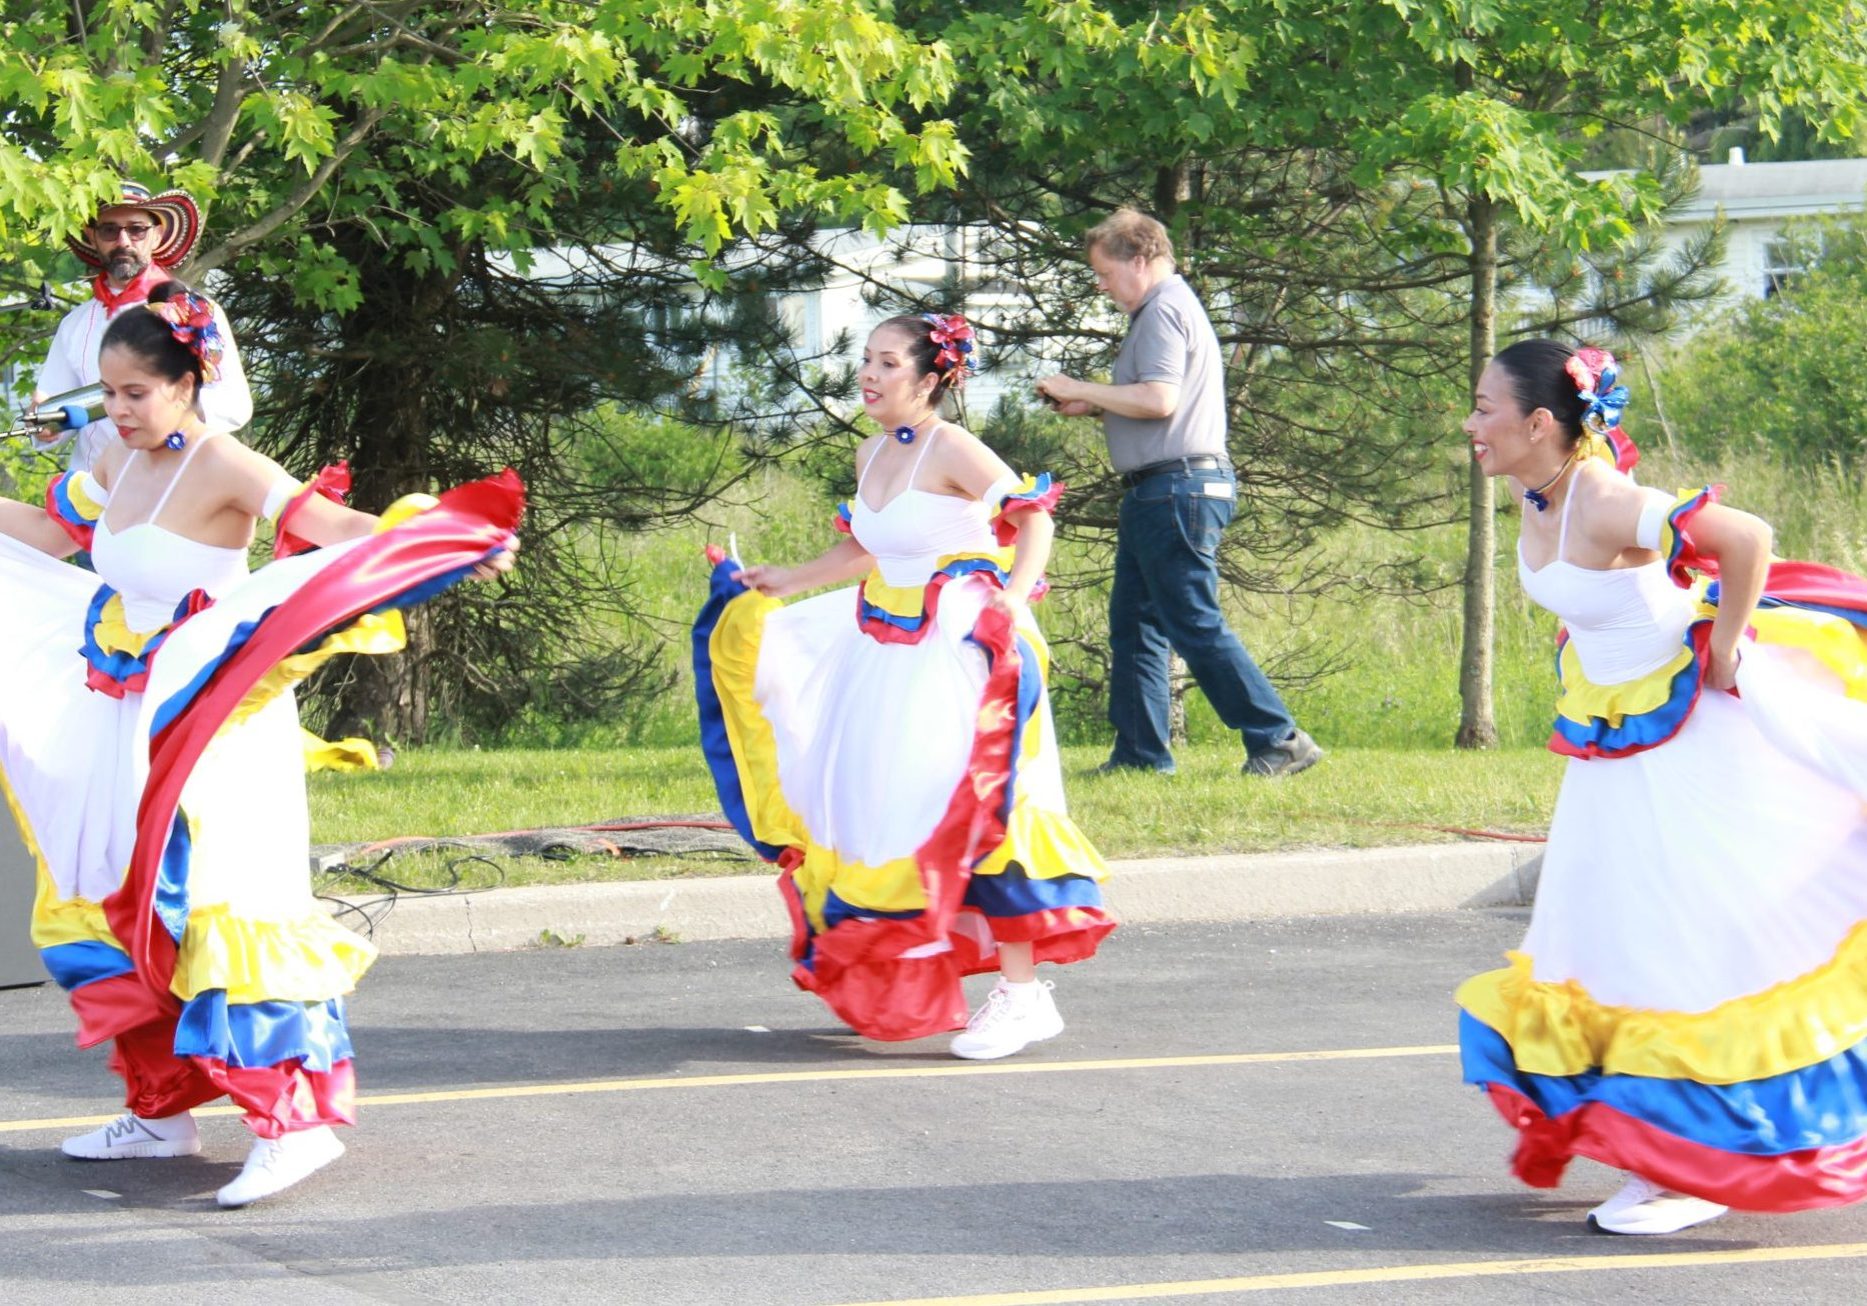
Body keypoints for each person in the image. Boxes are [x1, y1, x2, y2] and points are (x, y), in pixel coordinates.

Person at [0, 282, 520, 1208]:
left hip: (215, 722)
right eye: (108, 393)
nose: (115, 411)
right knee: (116, 896)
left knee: (224, 904)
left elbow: (338, 533)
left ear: (186, 384)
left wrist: (449, 542)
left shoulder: (227, 464)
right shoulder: (114, 465)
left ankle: (296, 1124)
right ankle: (160, 1113)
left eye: (133, 394)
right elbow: (45, 533)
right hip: (124, 710)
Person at [1455, 339, 1867, 1234]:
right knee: (1605, 936)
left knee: (1686, 940)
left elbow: (1744, 537)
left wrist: (1723, 652)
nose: (1470, 424)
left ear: (1538, 423)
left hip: (1691, 745)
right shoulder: (1540, 493)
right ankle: (1654, 1153)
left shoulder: (1600, 497)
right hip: (1619, 748)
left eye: (1484, 408)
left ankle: (1685, 1171)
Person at [695, 312, 1115, 1058]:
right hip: (884, 652)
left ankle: (1023, 996)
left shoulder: (953, 446)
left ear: (928, 380)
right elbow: (866, 545)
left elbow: (1032, 517)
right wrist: (786, 579)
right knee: (888, 810)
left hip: (959, 654)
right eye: (865, 360)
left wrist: (1014, 598)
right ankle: (930, 972)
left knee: (976, 807)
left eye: (888, 363)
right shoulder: (872, 451)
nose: (869, 374)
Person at [1036, 208, 1319, 779]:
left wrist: (1078, 385)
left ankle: (1279, 738)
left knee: (1191, 620)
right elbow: (1157, 400)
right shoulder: (1164, 308)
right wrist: (1093, 404)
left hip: (1177, 489)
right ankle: (1141, 755)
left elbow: (1160, 400)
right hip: (1164, 490)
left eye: (1106, 272)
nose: (1102, 284)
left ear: (1139, 260)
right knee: (1137, 625)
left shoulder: (1163, 309)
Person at [31, 180, 252, 472]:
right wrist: (45, 424)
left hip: (172, 488)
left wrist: (166, 408)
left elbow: (234, 405)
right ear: (92, 236)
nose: (123, 241)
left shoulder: (196, 312)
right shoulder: (74, 324)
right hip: (91, 495)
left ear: (157, 235)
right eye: (110, 230)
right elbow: (53, 412)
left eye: (136, 229)